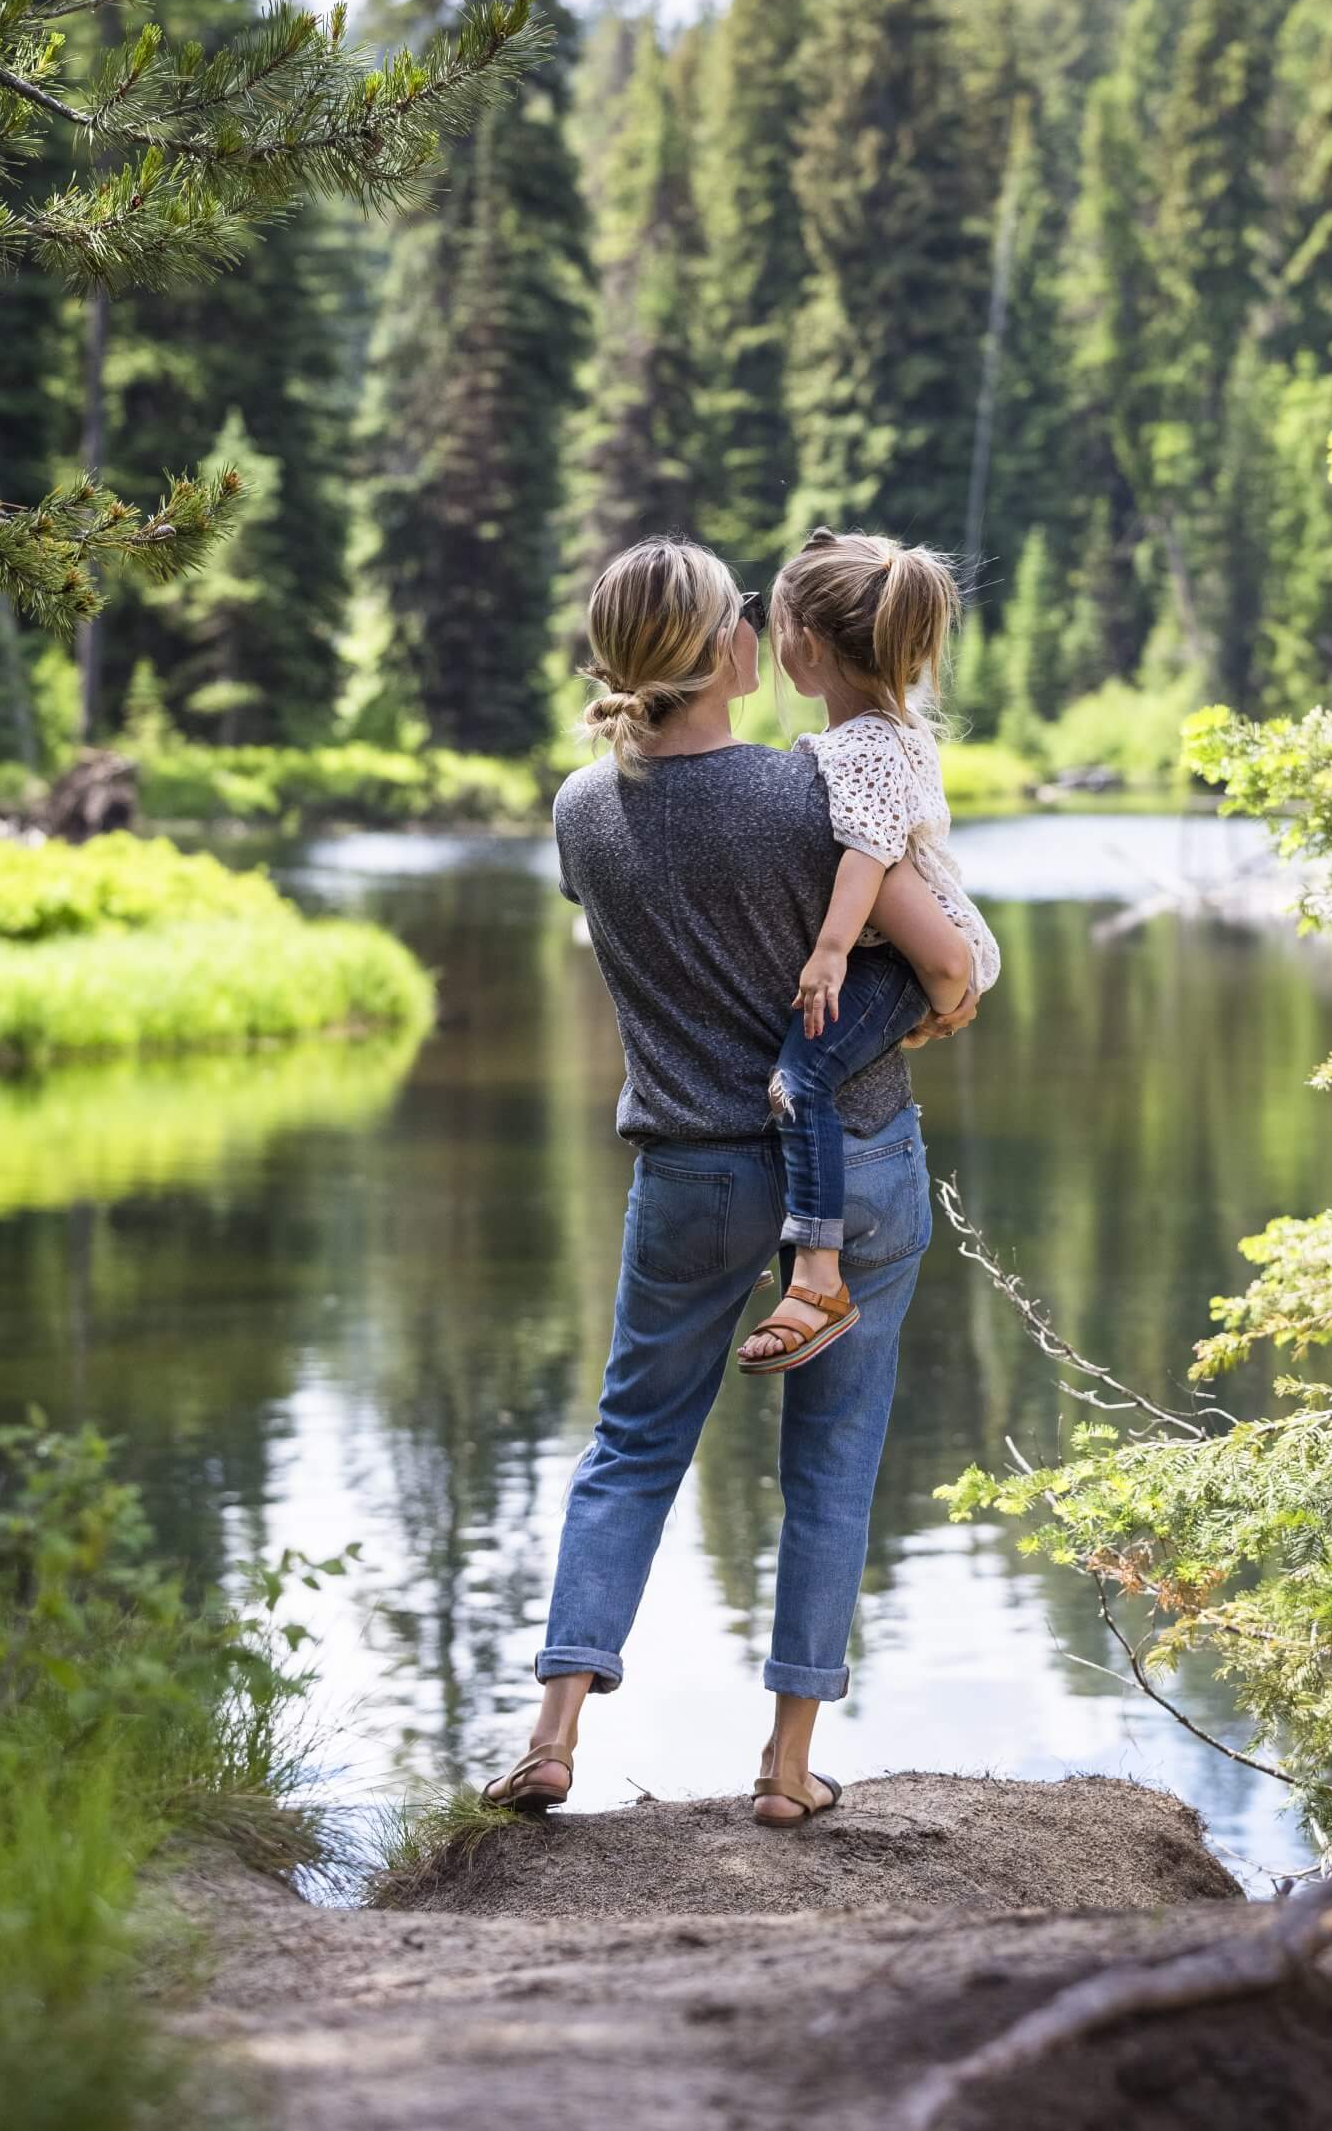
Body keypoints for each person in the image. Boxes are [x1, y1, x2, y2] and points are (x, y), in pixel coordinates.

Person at [482, 537, 977, 1829]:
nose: (759, 629)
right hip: (852, 1163)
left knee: (630, 1447)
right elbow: (947, 967)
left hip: (689, 1171)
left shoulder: (580, 808)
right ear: (718, 654)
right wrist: (937, 1003)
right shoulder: (799, 792)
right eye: (740, 617)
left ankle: (550, 1735)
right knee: (830, 1465)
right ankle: (785, 1767)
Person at [736, 527, 1000, 1377]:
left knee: (799, 1077)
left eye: (779, 631)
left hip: (904, 951)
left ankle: (817, 1275)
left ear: (805, 647)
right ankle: (817, 1274)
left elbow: (870, 852)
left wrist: (828, 953)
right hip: (913, 954)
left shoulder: (856, 749)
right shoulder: (887, 732)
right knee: (807, 1071)